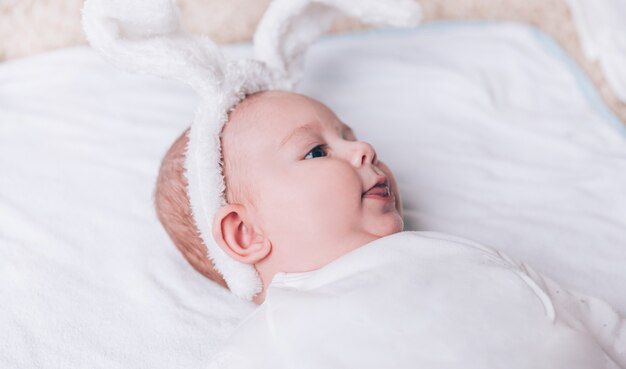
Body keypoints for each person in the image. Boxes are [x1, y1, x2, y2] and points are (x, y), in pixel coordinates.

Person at [156, 90, 625, 368]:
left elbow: (587, 316)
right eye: (317, 152)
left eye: (349, 135)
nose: (364, 148)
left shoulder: (458, 250)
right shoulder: (277, 335)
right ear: (245, 234)